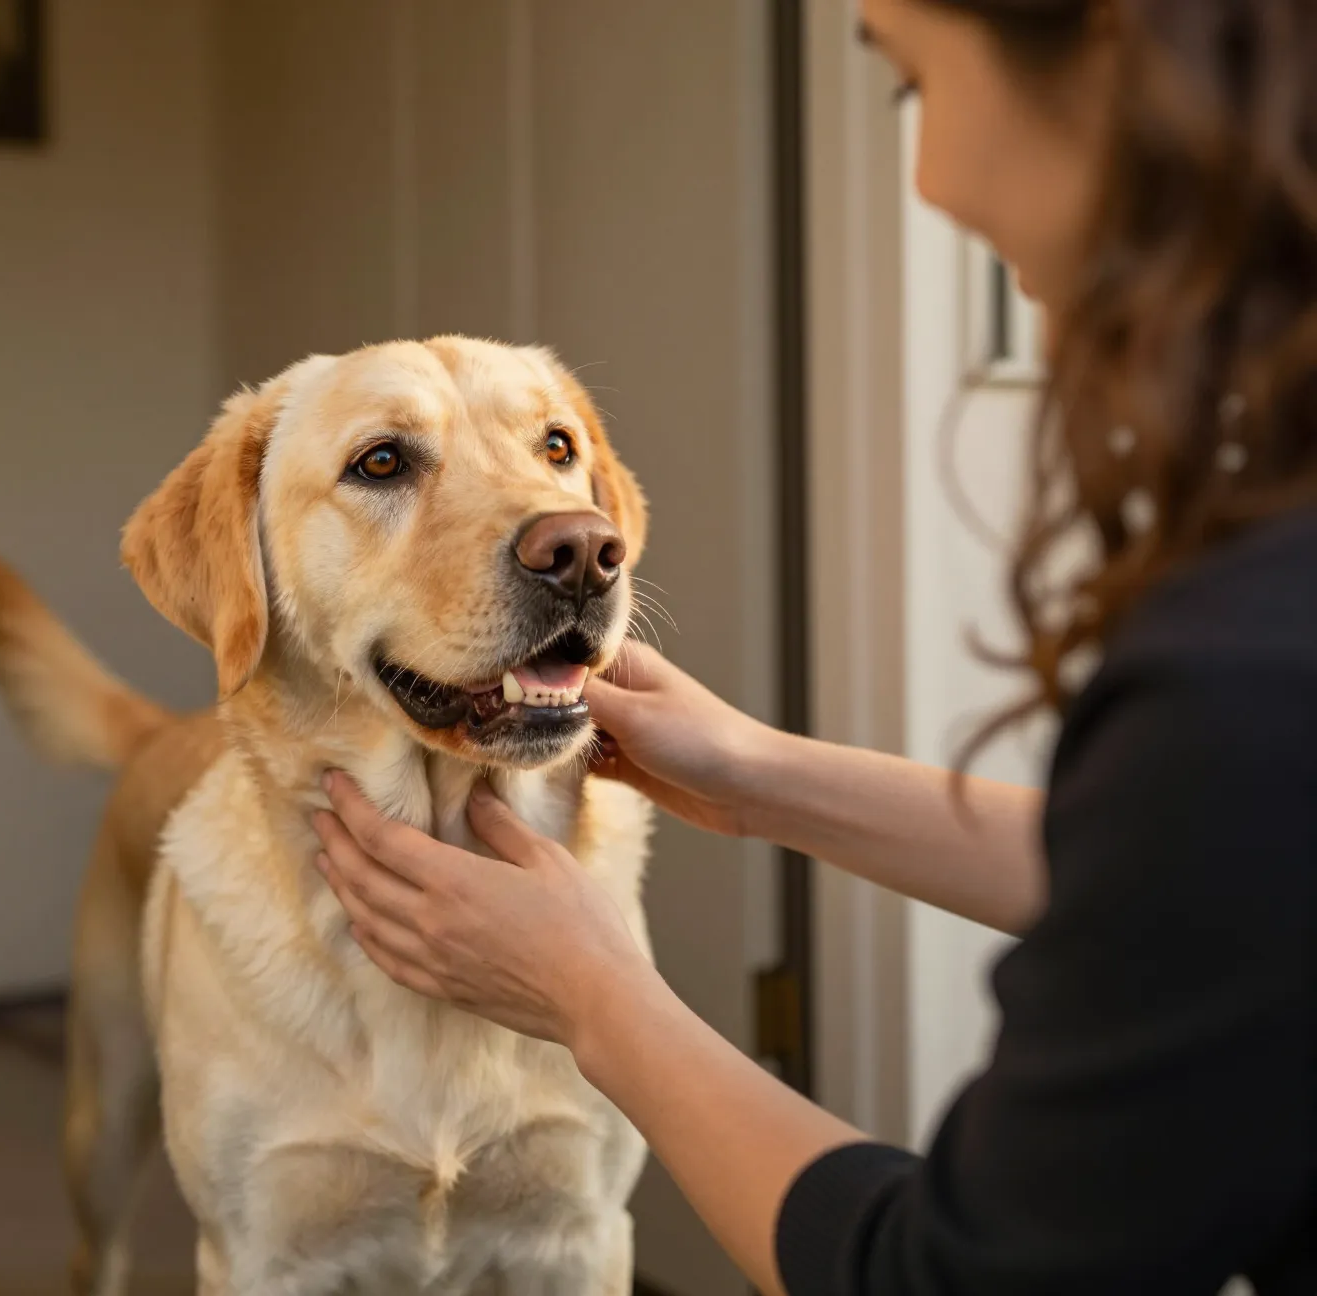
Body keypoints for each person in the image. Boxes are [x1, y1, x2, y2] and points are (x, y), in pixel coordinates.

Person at [310, 0, 1317, 1292]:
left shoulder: (1244, 679)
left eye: (910, 84)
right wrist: (754, 770)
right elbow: (1208, 890)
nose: (930, 177)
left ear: (1122, 52)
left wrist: (601, 1000)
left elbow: (949, 1276)